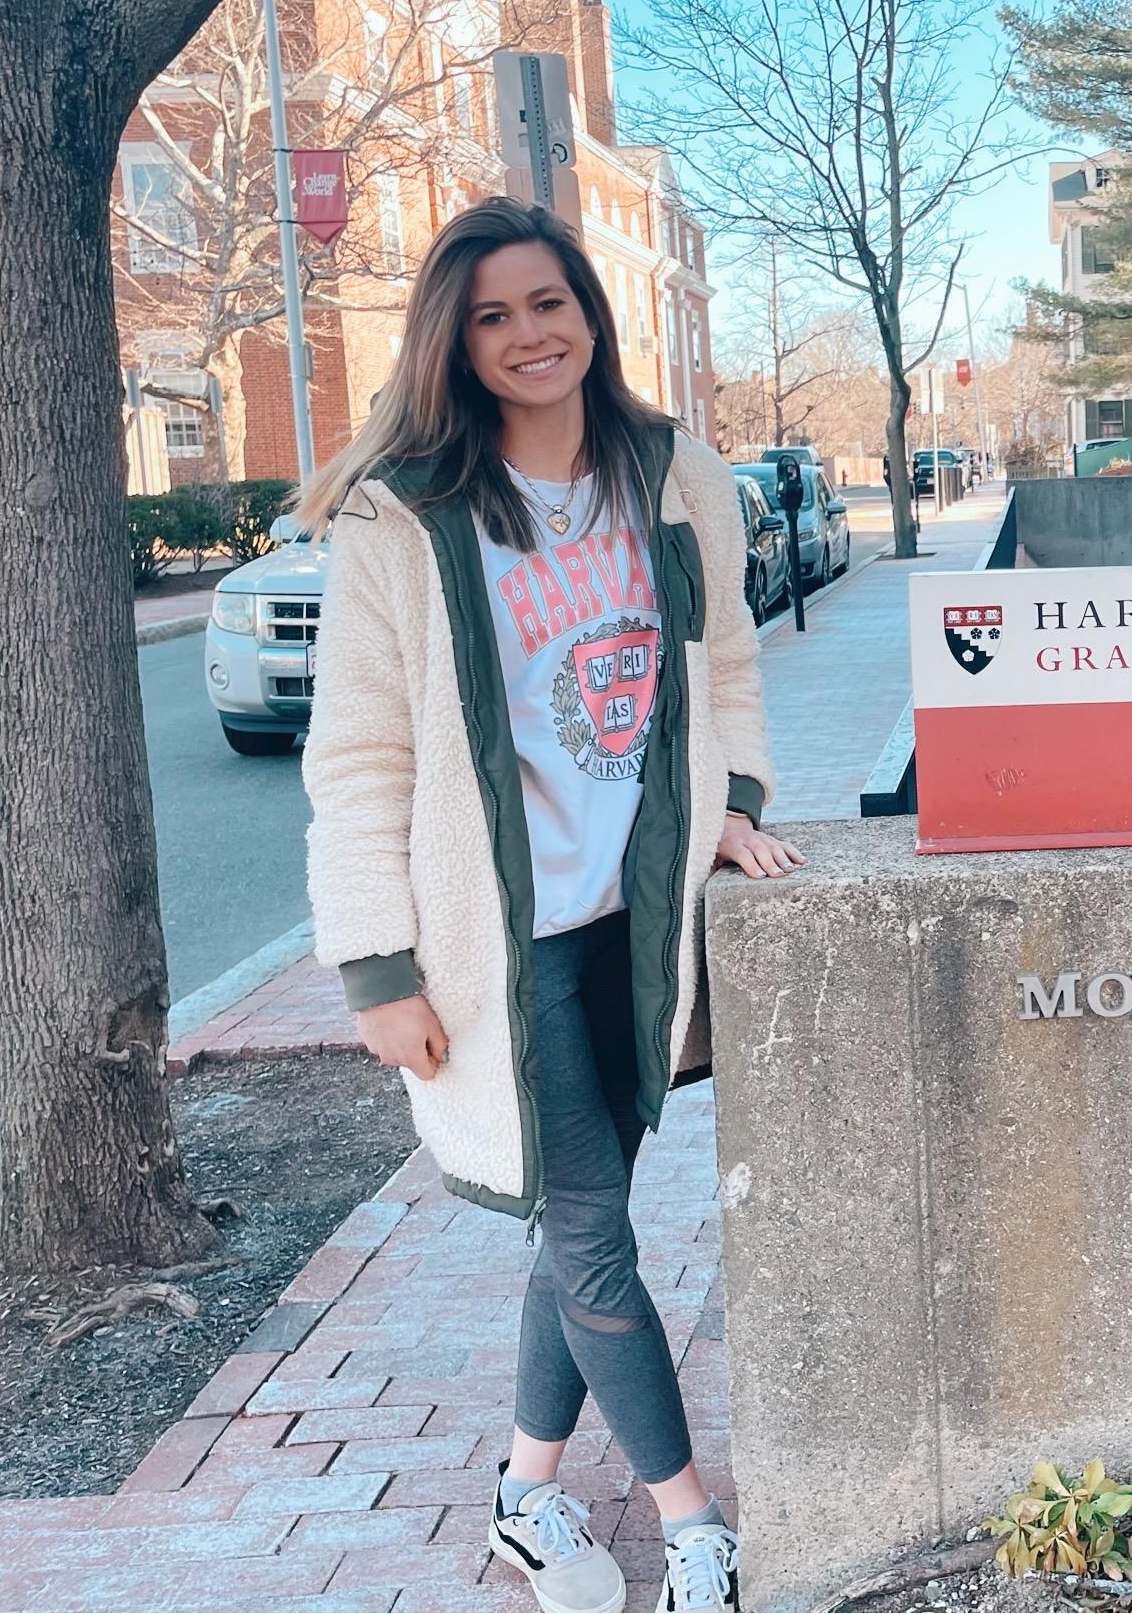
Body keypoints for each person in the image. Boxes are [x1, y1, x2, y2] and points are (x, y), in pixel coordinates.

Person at [297, 196, 804, 1614]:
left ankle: (524, 1497)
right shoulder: (405, 519)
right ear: (452, 344)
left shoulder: (673, 471)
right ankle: (693, 1521)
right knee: (590, 1235)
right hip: (490, 946)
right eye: (492, 315)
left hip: (630, 928)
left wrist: (737, 807)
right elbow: (359, 757)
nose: (529, 335)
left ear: (592, 310)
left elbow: (726, 666)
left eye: (548, 302)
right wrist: (374, 964)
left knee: (579, 1229)